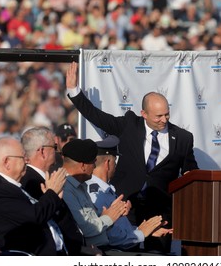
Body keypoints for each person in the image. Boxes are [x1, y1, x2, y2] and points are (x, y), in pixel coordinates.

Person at [66, 62, 198, 252]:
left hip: (159, 212)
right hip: (124, 207)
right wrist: (74, 91)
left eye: (167, 115)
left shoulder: (183, 138)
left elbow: (190, 171)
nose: (164, 120)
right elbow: (97, 116)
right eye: (158, 116)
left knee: (157, 259)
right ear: (144, 114)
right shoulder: (129, 125)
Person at [0, 136, 68, 255]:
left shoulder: (9, 186)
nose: (27, 160)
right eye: (23, 157)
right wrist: (51, 193)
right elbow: (34, 216)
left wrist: (53, 197)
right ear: (7, 162)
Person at [20, 126, 101, 256]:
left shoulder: (42, 179)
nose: (58, 152)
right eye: (55, 147)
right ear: (42, 152)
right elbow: (48, 224)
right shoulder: (32, 183)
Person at [87, 135, 173, 251]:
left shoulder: (106, 189)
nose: (116, 166)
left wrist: (144, 230)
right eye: (115, 162)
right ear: (107, 163)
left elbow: (117, 229)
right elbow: (112, 238)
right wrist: (141, 233)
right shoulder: (97, 193)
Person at [61, 138, 127, 249]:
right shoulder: (65, 189)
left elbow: (94, 222)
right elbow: (85, 229)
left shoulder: (80, 186)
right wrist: (109, 217)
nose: (95, 167)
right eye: (93, 162)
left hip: (100, 249)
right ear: (83, 166)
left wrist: (114, 213)